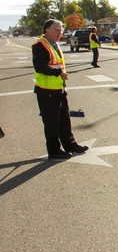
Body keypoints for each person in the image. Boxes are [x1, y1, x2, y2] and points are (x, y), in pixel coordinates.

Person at [33, 19, 89, 160]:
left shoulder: (54, 44)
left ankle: (70, 145)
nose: (60, 32)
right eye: (57, 30)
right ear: (47, 30)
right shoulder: (40, 45)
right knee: (52, 123)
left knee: (64, 120)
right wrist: (58, 73)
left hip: (58, 89)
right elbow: (40, 66)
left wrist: (62, 85)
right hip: (46, 91)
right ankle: (54, 151)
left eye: (61, 30)